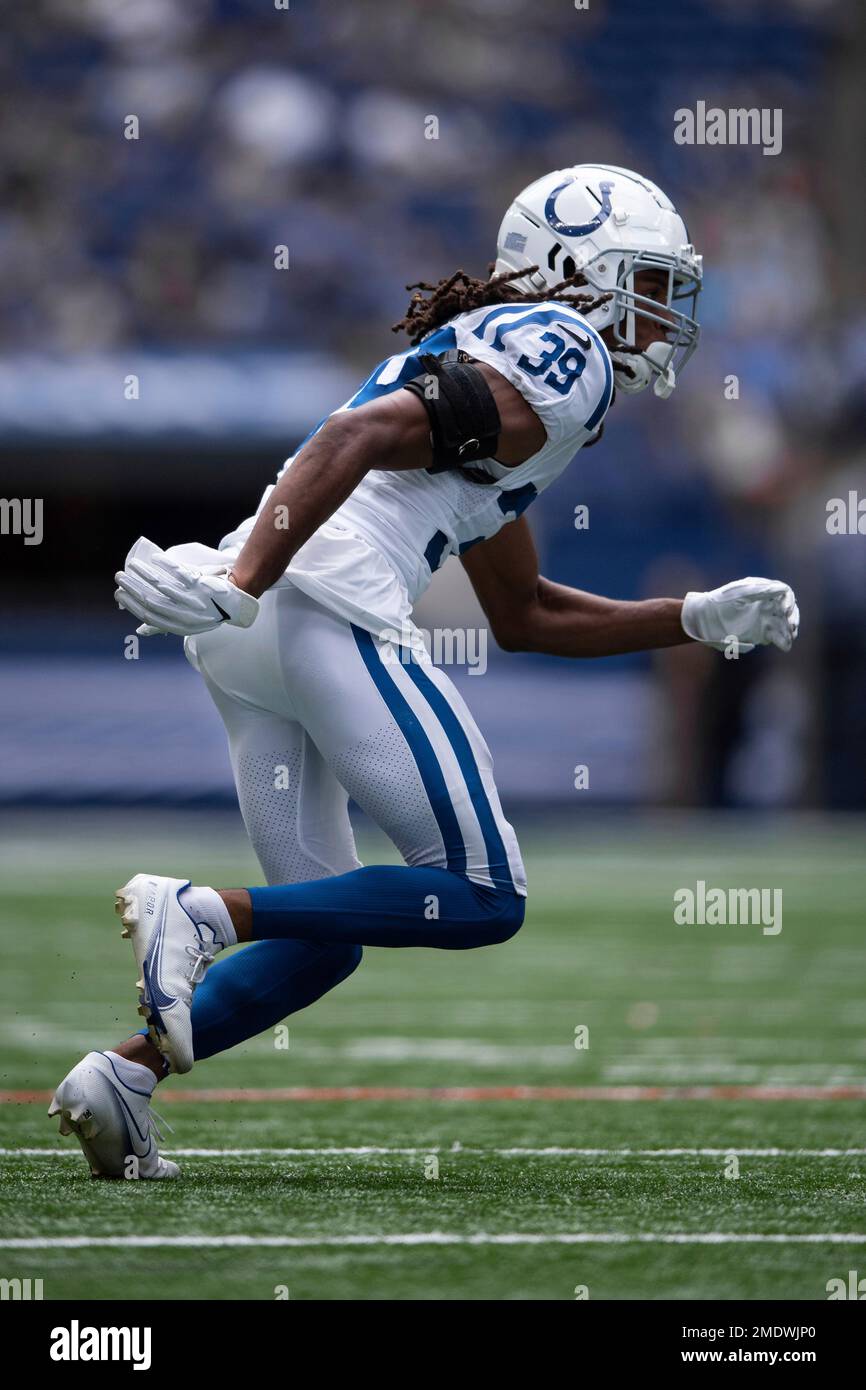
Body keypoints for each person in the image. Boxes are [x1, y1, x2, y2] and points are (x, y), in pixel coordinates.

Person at [49, 164, 798, 1178]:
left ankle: (124, 1076)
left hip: (256, 629)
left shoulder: (503, 380)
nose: (662, 316)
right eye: (650, 285)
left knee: (324, 932)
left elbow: (523, 614)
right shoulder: (564, 349)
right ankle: (203, 911)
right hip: (320, 599)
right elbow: (355, 436)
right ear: (575, 271)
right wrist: (247, 576)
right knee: (484, 891)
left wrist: (692, 618)